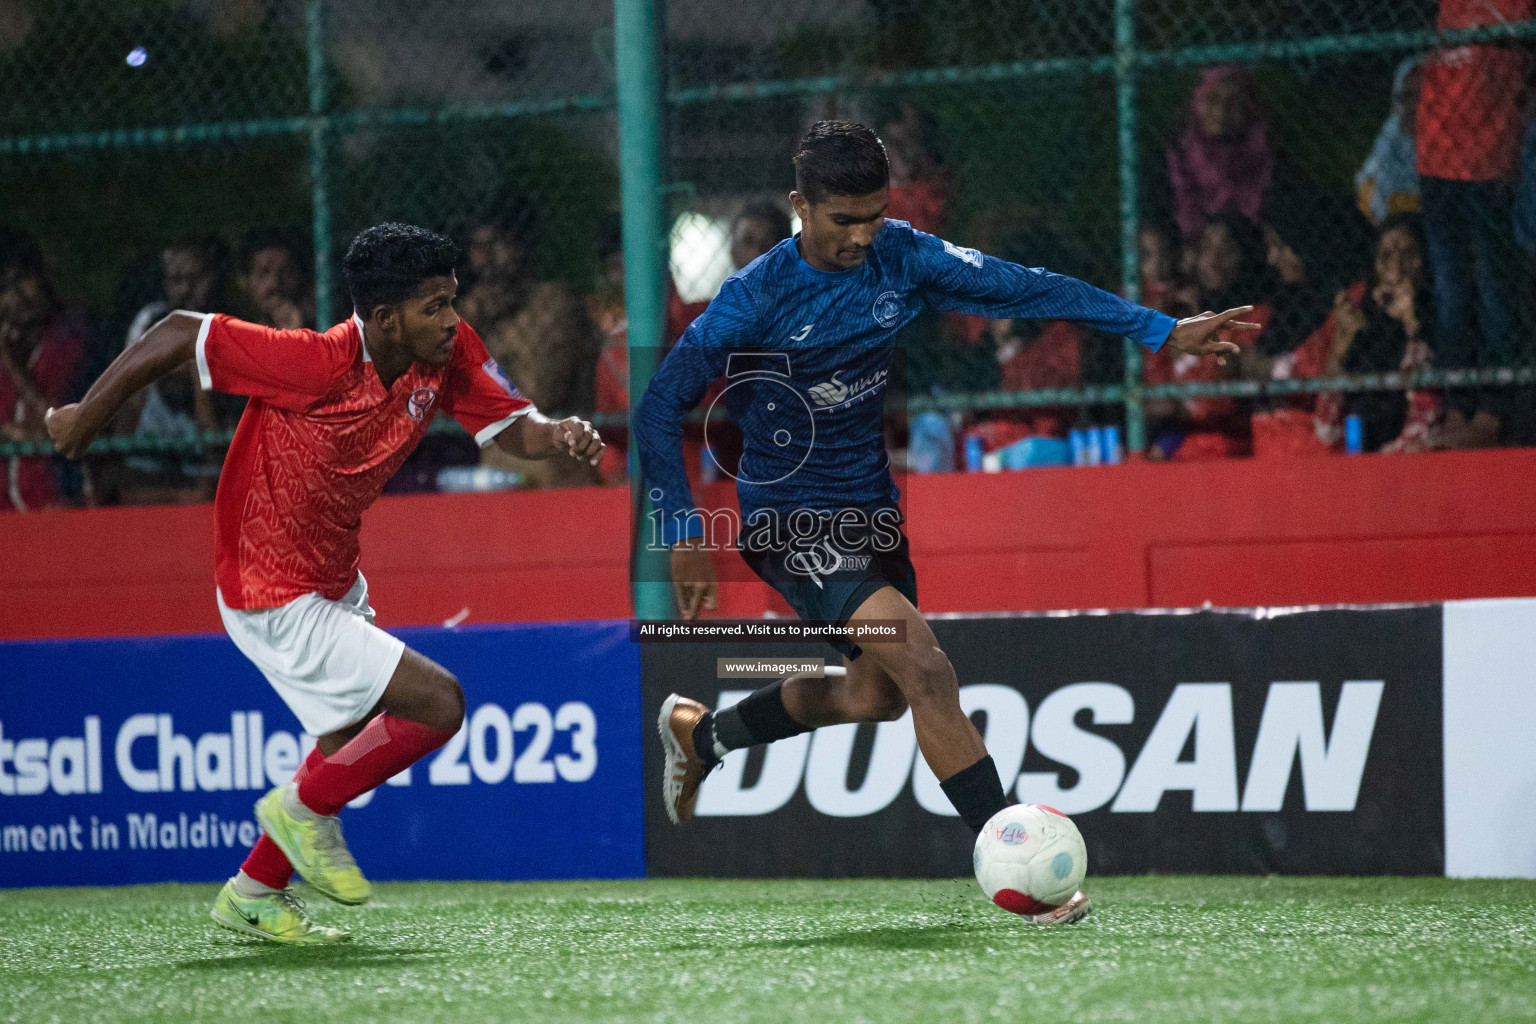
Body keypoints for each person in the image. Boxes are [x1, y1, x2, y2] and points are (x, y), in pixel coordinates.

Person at [635, 122, 1254, 923]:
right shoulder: (753, 297)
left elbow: (1030, 286)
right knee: (924, 667)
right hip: (787, 519)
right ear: (800, 207)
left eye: (874, 215)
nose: (862, 237)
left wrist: (1160, 329)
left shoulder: (905, 254)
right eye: (842, 220)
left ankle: (704, 735)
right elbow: (657, 408)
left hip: (871, 514)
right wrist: (682, 531)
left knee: (876, 693)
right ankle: (1021, 873)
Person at [44, 223, 603, 943]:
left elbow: (507, 428)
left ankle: (253, 891)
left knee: (345, 735)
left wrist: (554, 433)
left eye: (451, 301)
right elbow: (181, 331)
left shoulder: (448, 352)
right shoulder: (314, 361)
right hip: (267, 582)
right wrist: (86, 420)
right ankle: (303, 810)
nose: (451, 320)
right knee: (439, 704)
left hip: (331, 572)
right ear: (383, 318)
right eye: (434, 306)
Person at [1416, 0, 1533, 448]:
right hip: (1437, 160)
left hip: (1487, 161)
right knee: (1450, 296)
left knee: (1494, 293)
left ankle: (1494, 409)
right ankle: (1457, 406)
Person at [460, 214, 602, 489]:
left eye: (497, 244)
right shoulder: (475, 311)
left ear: (520, 247)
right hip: (496, 469)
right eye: (478, 247)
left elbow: (537, 394)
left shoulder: (553, 304)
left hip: (555, 471)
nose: (486, 259)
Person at [1144, 213, 1274, 460]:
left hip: (1231, 447)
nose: (1214, 261)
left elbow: (1212, 405)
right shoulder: (1179, 311)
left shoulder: (1258, 315)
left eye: (1227, 250)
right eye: (1207, 248)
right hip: (1177, 443)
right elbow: (1154, 403)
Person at [0, 226, 87, 512]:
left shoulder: (70, 339)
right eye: (6, 288)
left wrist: (11, 362)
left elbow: (54, 428)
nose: (19, 296)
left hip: (54, 508)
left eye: (24, 280)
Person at [1166, 64, 1274, 245]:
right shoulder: (1176, 156)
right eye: (1212, 99)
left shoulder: (1262, 157)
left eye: (1233, 103)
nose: (1222, 112)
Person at [1356, 57, 1425, 226]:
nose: (1413, 105)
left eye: (1421, 96)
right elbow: (1365, 185)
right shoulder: (1391, 133)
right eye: (1407, 96)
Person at [236, 226, 315, 330]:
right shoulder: (229, 331)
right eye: (263, 273)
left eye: (286, 272)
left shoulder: (321, 327)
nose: (275, 283)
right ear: (244, 281)